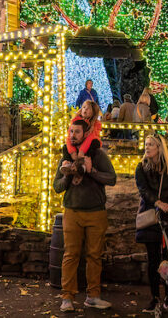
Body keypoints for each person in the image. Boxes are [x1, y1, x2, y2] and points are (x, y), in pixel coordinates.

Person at [54, 119, 117, 312]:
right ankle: (67, 298)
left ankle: (93, 296)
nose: (73, 135)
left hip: (96, 212)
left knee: (94, 256)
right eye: (71, 131)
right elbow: (57, 187)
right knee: (70, 255)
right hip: (72, 211)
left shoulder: (97, 154)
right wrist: (66, 174)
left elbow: (112, 179)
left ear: (85, 133)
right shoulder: (66, 155)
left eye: (77, 132)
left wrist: (92, 171)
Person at [135, 133, 168, 313]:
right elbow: (143, 191)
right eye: (146, 145)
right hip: (152, 218)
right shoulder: (141, 168)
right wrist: (158, 202)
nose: (147, 148)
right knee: (154, 259)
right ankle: (155, 297)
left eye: (151, 145)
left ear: (159, 148)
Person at [65, 101, 103, 183]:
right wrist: (72, 152)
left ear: (93, 112)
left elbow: (91, 138)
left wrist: (82, 151)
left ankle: (86, 165)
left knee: (95, 143)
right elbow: (69, 137)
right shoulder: (75, 121)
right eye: (84, 107)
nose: (85, 110)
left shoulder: (95, 124)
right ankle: (68, 164)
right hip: (77, 145)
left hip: (87, 147)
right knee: (66, 146)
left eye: (88, 108)